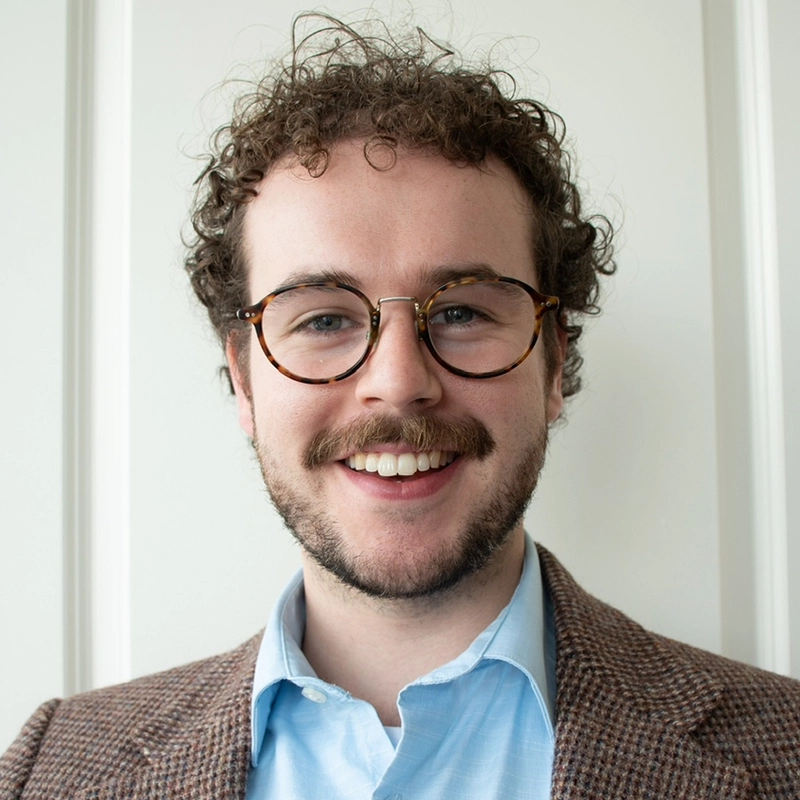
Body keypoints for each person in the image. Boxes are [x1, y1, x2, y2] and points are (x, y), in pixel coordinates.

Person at [2, 14, 799, 800]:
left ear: (554, 359)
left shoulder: (787, 749)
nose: (398, 380)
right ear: (243, 381)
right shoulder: (52, 767)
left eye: (460, 311)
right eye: (322, 318)